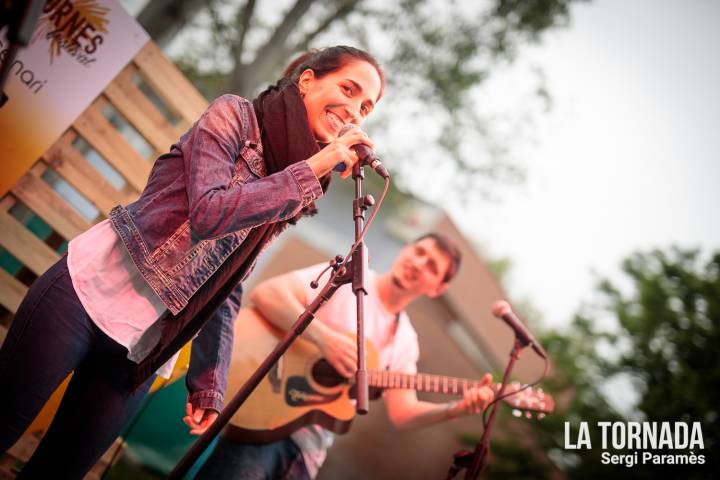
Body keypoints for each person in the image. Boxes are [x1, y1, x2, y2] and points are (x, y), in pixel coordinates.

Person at [0, 45, 384, 478]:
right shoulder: (235, 116)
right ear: (308, 80)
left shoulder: (300, 184)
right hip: (87, 293)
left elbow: (228, 280)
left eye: (366, 107)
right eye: (348, 89)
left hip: (147, 342)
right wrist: (313, 167)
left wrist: (208, 380)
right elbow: (209, 214)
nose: (354, 111)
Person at [196, 233, 496, 479]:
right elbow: (267, 294)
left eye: (432, 266)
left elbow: (403, 413)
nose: (419, 263)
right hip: (266, 414)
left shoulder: (405, 341)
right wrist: (323, 339)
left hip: (309, 451)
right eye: (420, 251)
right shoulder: (348, 278)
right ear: (406, 249)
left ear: (438, 288)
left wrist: (455, 409)